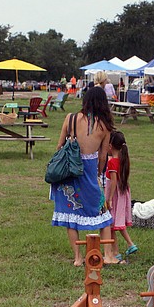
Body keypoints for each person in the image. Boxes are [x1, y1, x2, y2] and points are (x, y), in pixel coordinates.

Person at [50, 86, 115, 266]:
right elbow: (103, 156)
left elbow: (59, 146)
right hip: (89, 171)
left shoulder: (70, 118)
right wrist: (98, 173)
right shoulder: (104, 125)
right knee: (103, 211)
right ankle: (108, 254)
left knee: (71, 214)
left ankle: (78, 258)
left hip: (68, 172)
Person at [105, 130, 137, 261]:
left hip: (115, 195)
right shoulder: (124, 160)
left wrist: (109, 199)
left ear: (110, 146)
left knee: (111, 224)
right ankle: (124, 247)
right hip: (123, 193)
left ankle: (120, 249)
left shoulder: (112, 162)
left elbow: (113, 182)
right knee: (115, 224)